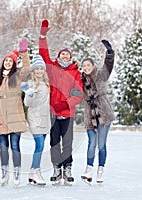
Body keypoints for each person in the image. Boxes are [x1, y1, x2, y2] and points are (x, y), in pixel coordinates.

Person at [38, 19, 84, 185]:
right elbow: (43, 54)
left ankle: (68, 168)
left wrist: (65, 104)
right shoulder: (52, 67)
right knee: (54, 142)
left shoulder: (75, 73)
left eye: (68, 54)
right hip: (52, 113)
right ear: (58, 56)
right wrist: (43, 36)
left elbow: (78, 93)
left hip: (67, 113)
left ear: (71, 57)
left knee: (68, 142)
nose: (65, 56)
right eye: (63, 54)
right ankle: (57, 168)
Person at [0, 37, 30, 186]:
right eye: (6, 61)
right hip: (1, 116)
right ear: (3, 63)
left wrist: (24, 53)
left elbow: (27, 68)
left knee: (15, 145)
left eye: (11, 61)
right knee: (3, 147)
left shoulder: (18, 76)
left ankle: (16, 173)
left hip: (15, 115)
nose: (8, 63)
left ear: (14, 64)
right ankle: (4, 173)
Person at [80, 40, 115, 184]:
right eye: (84, 66)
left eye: (88, 65)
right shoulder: (80, 80)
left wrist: (110, 53)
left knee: (101, 144)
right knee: (91, 143)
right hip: (90, 115)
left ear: (93, 66)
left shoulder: (101, 75)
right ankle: (88, 170)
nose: (86, 67)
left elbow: (108, 65)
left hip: (104, 114)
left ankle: (100, 171)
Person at [21, 55, 50, 186]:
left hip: (45, 118)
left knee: (41, 145)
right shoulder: (31, 84)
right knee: (39, 146)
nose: (39, 71)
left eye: (41, 69)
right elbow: (27, 103)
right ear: (33, 71)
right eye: (37, 69)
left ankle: (32, 174)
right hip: (35, 118)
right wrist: (29, 94)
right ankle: (37, 172)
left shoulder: (47, 84)